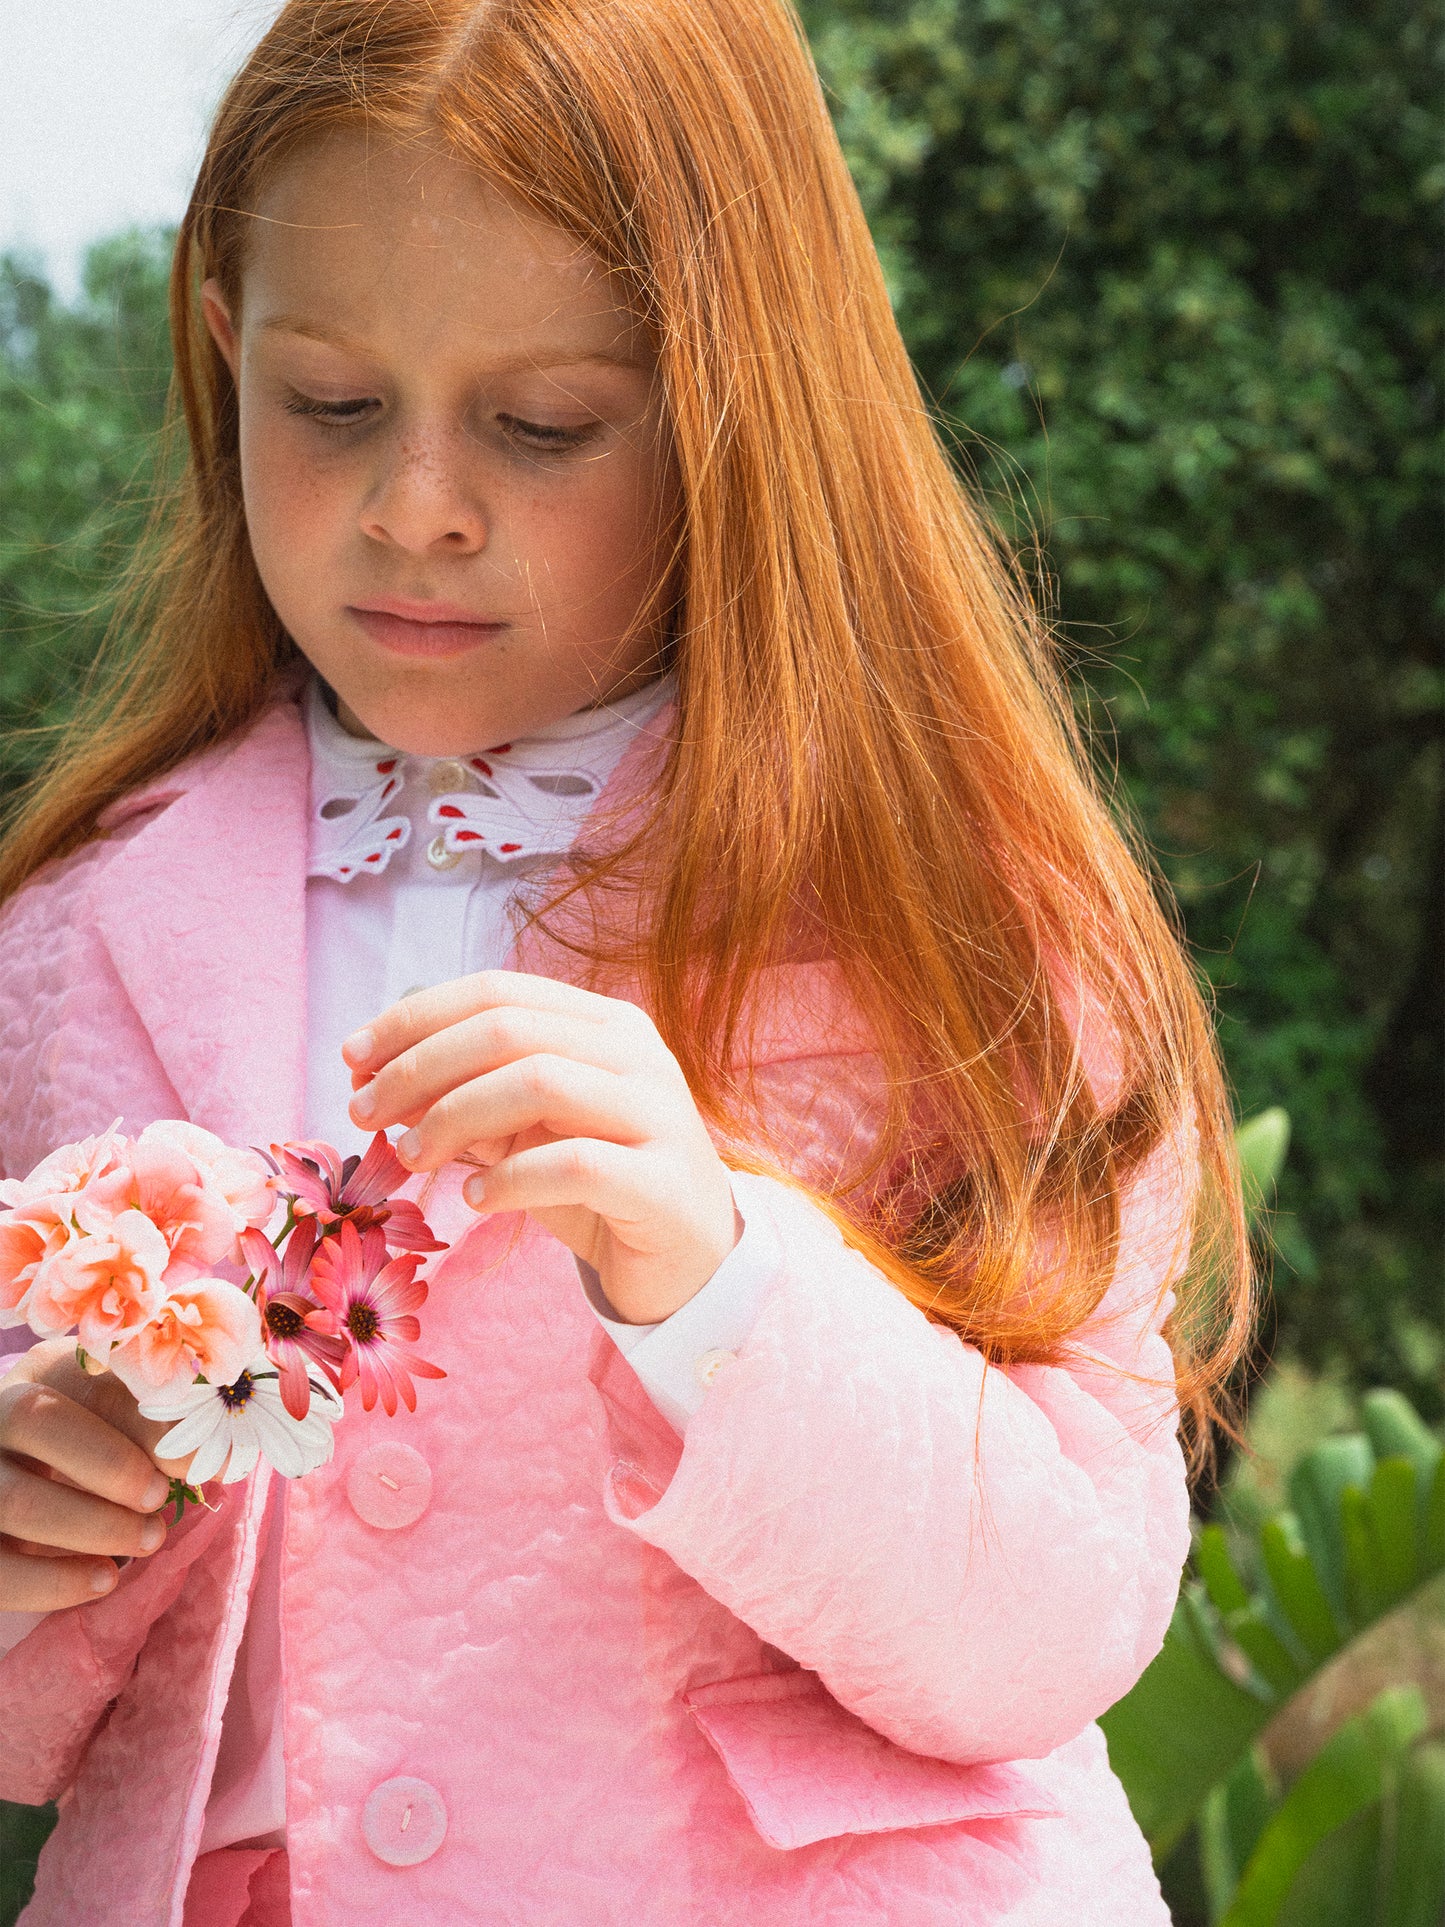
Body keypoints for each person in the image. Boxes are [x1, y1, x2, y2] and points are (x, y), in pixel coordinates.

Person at [0, 2, 1252, 1922]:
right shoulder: (75, 945)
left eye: (543, 423)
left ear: (737, 410)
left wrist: (723, 1288)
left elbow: (1056, 1621)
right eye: (329, 406)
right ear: (226, 354)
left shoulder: (957, 915)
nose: (417, 501)